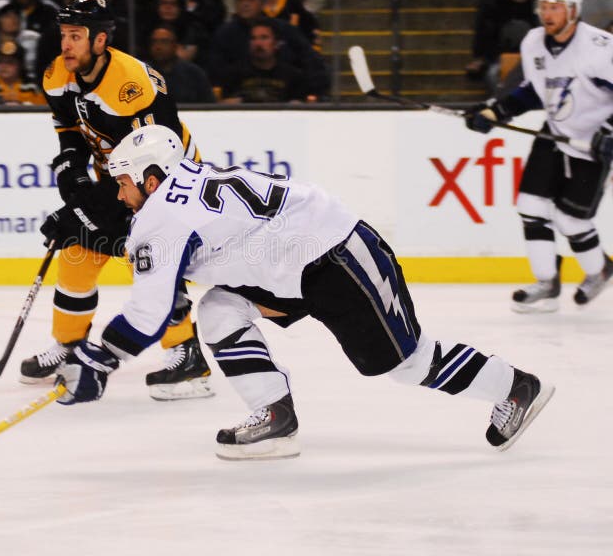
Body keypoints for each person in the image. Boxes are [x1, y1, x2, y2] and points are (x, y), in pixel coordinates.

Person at [50, 124, 555, 461]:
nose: (118, 192)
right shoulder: (184, 179)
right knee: (221, 308)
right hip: (287, 265)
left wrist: (100, 361)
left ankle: (515, 386)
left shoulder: (163, 214)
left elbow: (149, 309)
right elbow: (179, 247)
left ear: (150, 178)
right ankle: (275, 413)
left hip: (336, 256)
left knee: (404, 363)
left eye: (121, 182)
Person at [23, 0, 214, 401]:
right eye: (63, 35)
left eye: (76, 36)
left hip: (164, 184)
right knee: (77, 253)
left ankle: (188, 357)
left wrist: (87, 206)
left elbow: (157, 158)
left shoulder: (133, 86)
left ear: (100, 40)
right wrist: (72, 167)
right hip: (122, 177)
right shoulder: (59, 74)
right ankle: (70, 348)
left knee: (149, 262)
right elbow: (68, 128)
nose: (66, 44)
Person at [465, 0, 613, 311]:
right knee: (530, 206)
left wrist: (608, 132)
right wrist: (497, 111)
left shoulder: (600, 47)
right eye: (544, 7)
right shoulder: (534, 42)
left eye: (555, 7)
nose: (548, 14)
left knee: (570, 220)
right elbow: (535, 90)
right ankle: (547, 282)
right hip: (555, 133)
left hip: (593, 143)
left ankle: (600, 269)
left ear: (573, 10)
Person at [219, 17, 308, 102]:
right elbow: (224, 105)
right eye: (253, 38)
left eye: (264, 37)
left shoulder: (293, 76)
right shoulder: (234, 74)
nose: (258, 43)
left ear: (277, 43)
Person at [146, 23, 215, 103]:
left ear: (175, 46)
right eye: (154, 42)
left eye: (164, 42)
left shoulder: (194, 73)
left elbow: (209, 106)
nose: (158, 47)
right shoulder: (143, 73)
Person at [0, 40, 47, 106]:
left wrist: (21, 102)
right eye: (0, 62)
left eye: (10, 62)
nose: (4, 66)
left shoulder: (32, 86)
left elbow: (42, 108)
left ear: (20, 65)